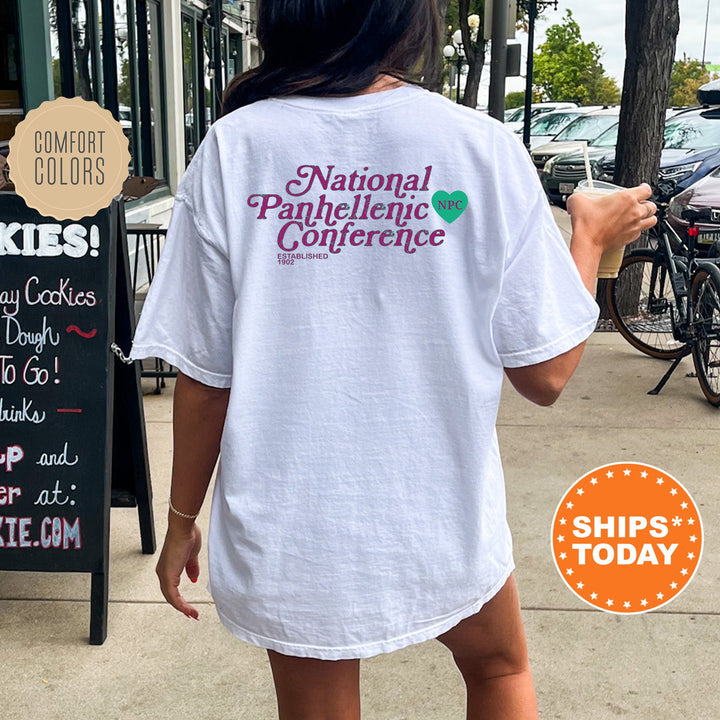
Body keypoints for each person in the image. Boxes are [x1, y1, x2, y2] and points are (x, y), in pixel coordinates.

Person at [129, 2, 657, 718]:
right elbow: (547, 374)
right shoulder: (479, 146)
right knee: (499, 670)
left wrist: (182, 517)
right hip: (438, 511)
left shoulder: (234, 148)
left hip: (295, 524)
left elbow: (205, 379)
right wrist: (589, 241)